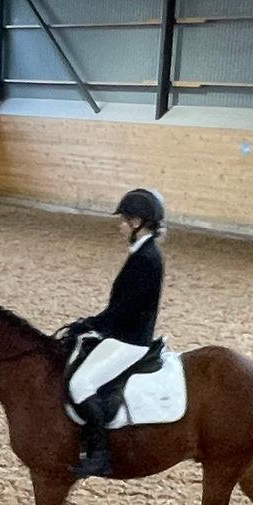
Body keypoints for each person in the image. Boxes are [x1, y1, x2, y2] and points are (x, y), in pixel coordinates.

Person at [63, 188, 167, 480]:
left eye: (124, 220)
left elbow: (124, 310)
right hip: (122, 333)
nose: (120, 225)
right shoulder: (142, 253)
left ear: (137, 222)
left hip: (130, 341)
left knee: (81, 384)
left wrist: (91, 325)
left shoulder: (146, 259)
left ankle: (100, 456)